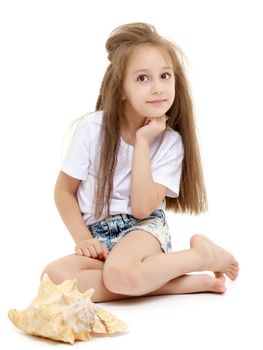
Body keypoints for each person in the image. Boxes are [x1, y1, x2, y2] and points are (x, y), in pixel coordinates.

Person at [41, 22, 239, 302]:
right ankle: (171, 282)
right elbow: (64, 191)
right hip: (100, 236)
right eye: (143, 78)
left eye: (165, 76)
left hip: (144, 231)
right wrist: (83, 239)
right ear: (121, 88)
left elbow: (143, 207)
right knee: (54, 279)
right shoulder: (92, 129)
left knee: (120, 272)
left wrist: (143, 142)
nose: (158, 88)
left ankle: (199, 256)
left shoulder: (169, 142)